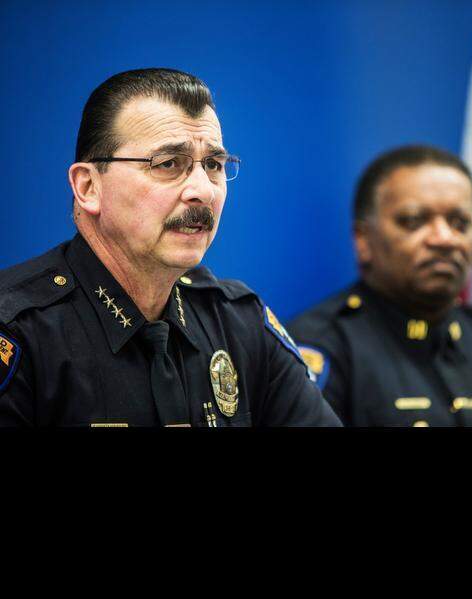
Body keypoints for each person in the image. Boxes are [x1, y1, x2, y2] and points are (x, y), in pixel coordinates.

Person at [0, 68, 341, 428]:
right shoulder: (19, 331)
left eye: (213, 165)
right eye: (167, 164)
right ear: (88, 187)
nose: (204, 191)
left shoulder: (240, 323)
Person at [288, 145, 472, 427]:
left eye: (459, 223)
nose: (444, 238)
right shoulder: (323, 347)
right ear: (363, 240)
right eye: (414, 221)